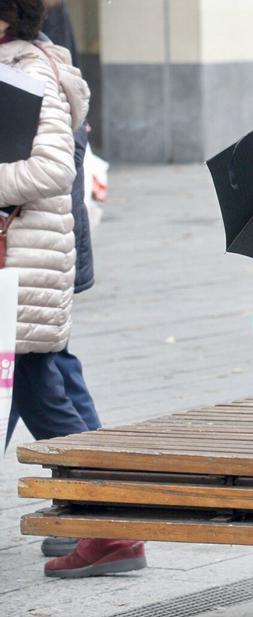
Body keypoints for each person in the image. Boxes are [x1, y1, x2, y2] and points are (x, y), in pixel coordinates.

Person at [0, 0, 145, 576]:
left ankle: (111, 527)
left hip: (23, 268)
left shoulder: (26, 72)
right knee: (46, 387)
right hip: (24, 268)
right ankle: (111, 527)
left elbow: (54, 169)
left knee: (43, 389)